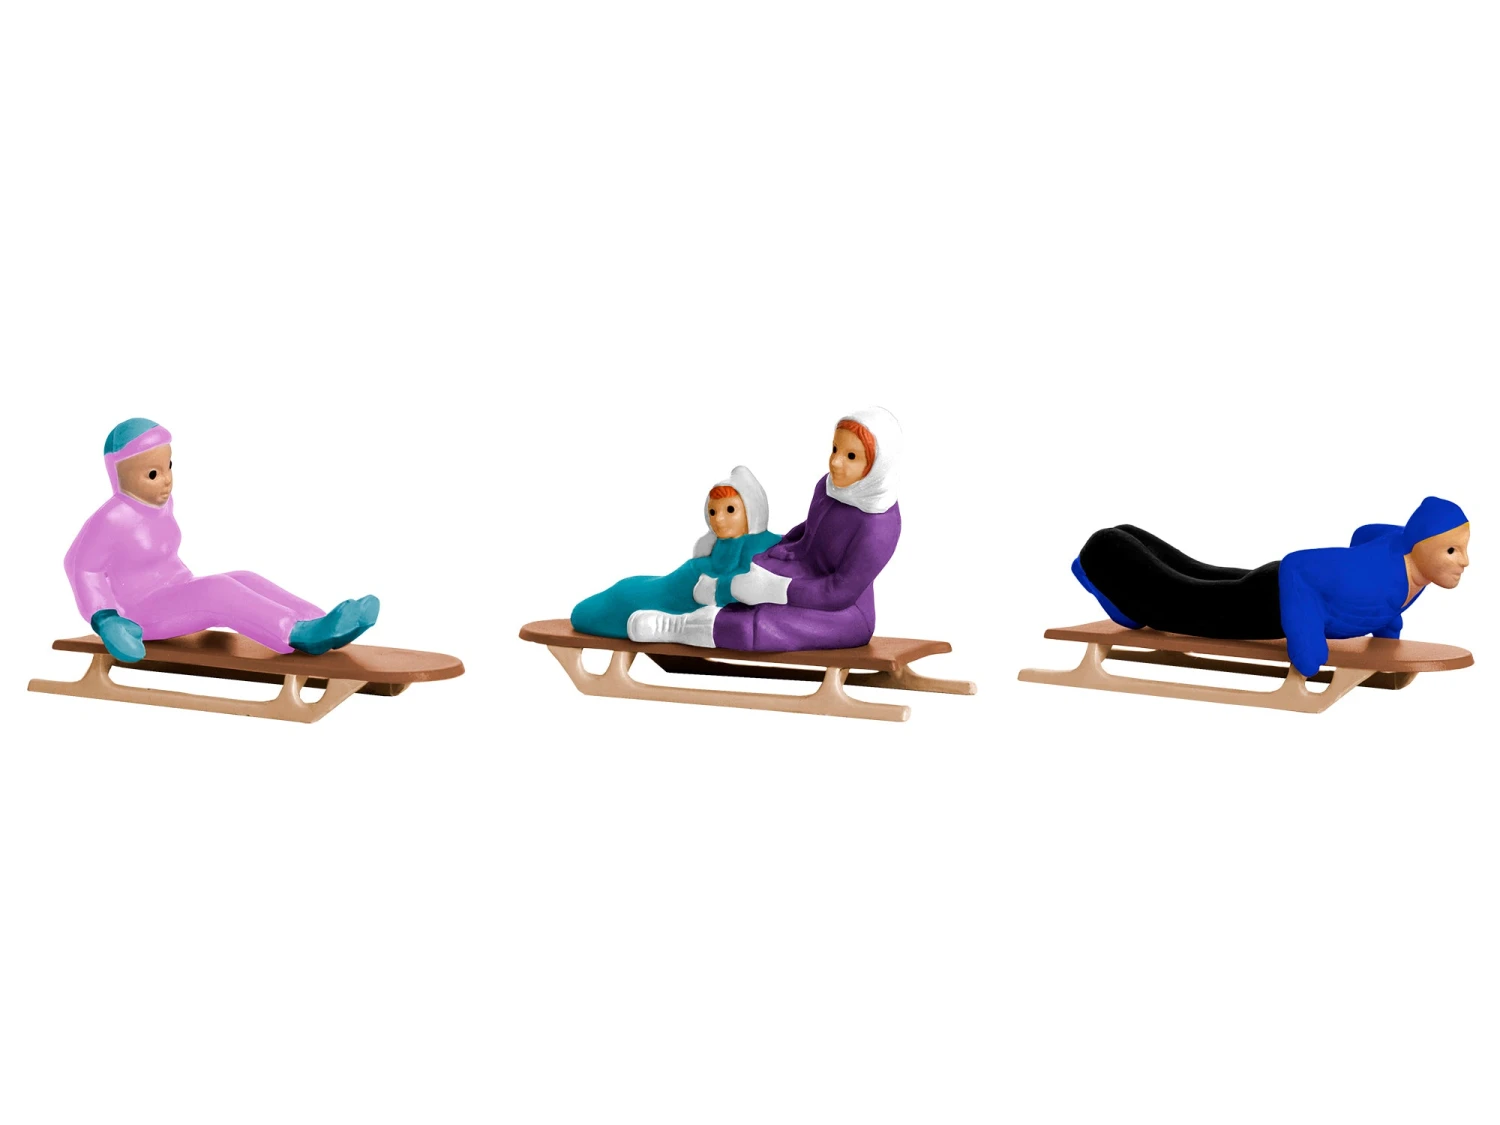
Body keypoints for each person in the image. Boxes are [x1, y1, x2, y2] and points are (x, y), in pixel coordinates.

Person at [64, 418, 379, 664]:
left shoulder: (161, 504)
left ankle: (319, 620)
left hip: (175, 588)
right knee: (218, 591)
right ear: (120, 476)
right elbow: (80, 565)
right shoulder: (112, 517)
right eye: (152, 475)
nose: (167, 480)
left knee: (244, 577)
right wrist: (107, 620)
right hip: (140, 611)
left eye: (168, 467)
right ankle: (297, 634)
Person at [1071, 496, 1471, 678]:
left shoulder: (1406, 560)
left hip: (1272, 585)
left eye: (1463, 548)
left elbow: (1367, 533)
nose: (1464, 562)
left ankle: (1126, 541)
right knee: (1179, 601)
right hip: (1274, 601)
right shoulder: (1376, 580)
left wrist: (1387, 626)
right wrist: (1307, 645)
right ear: (1417, 545)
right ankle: (1100, 566)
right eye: (1452, 551)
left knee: (1195, 575)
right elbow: (1298, 565)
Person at [626, 407, 902, 650]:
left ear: (877, 465)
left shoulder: (878, 526)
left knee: (766, 622)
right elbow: (813, 528)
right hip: (804, 571)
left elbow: (839, 592)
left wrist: (777, 589)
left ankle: (681, 627)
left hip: (842, 611)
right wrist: (782, 547)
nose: (836, 462)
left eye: (851, 456)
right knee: (754, 565)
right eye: (835, 449)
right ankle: (714, 594)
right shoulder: (829, 487)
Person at [570, 466, 781, 639]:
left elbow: (748, 584)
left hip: (683, 597)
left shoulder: (758, 547)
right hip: (674, 584)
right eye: (712, 511)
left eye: (730, 510)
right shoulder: (716, 546)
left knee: (618, 603)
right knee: (626, 590)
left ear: (752, 512)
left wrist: (714, 589)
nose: (718, 519)